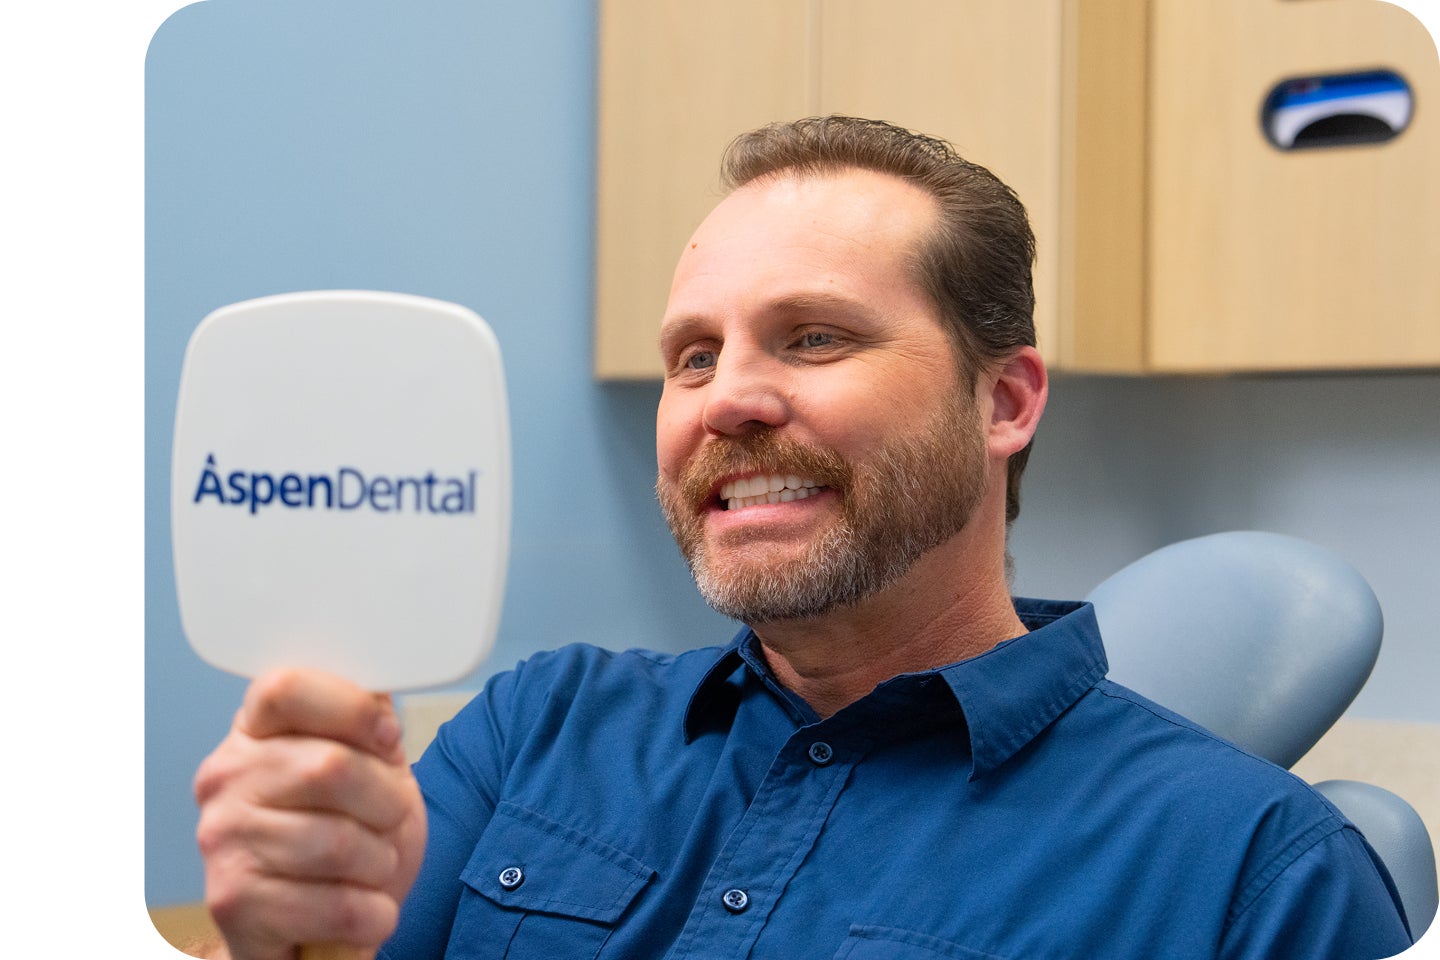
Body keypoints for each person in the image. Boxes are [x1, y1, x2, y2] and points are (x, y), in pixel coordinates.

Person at [190, 116, 1413, 960]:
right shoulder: (536, 732)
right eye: (694, 356)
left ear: (1005, 400)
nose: (726, 399)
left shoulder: (1255, 869)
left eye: (815, 338)